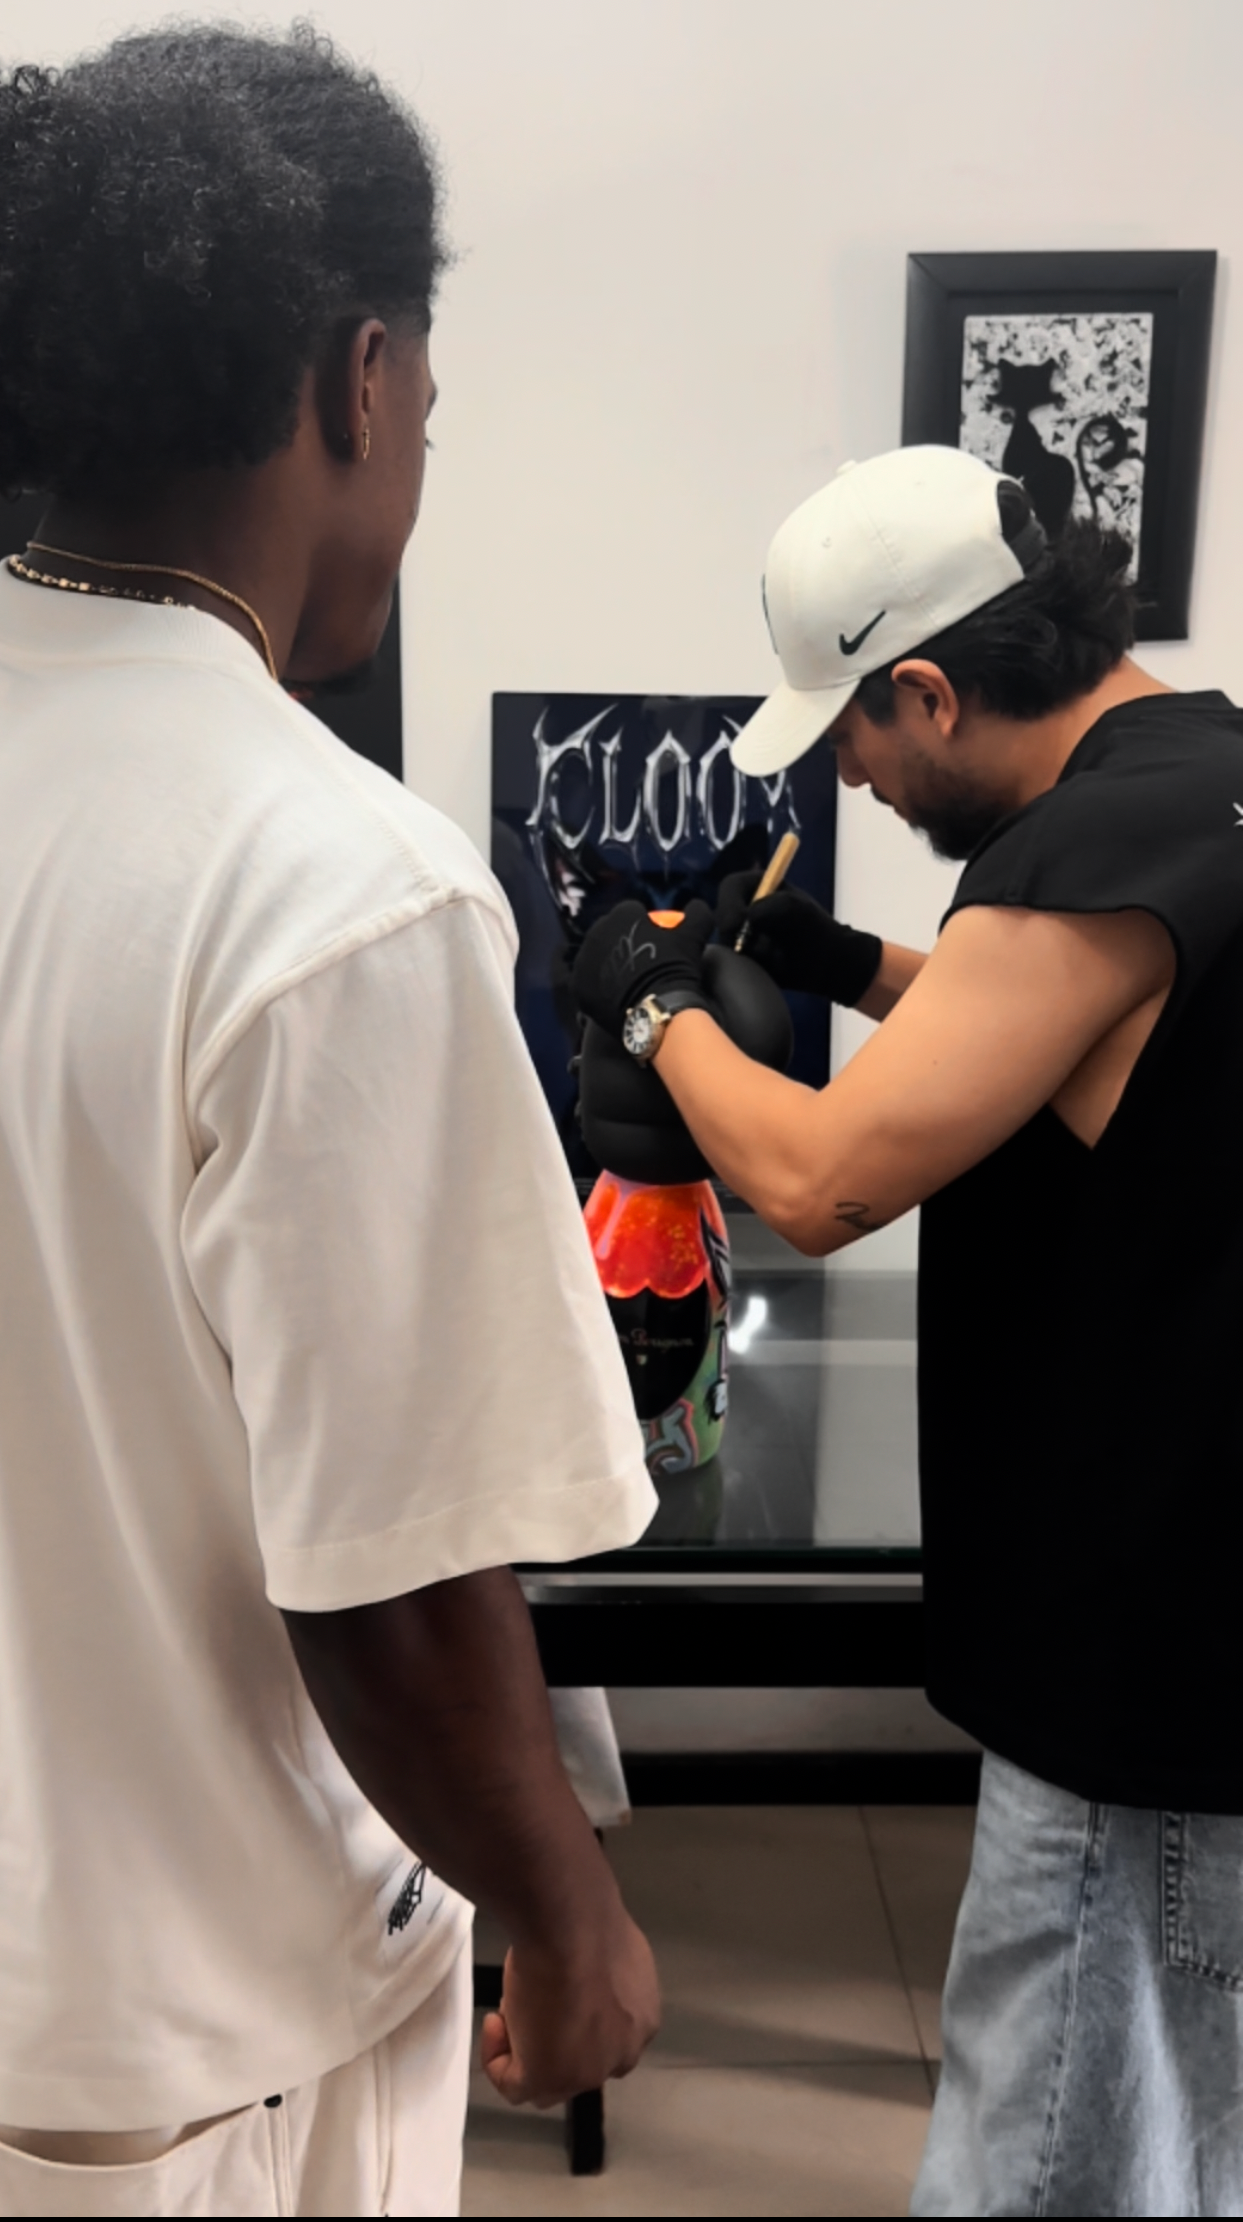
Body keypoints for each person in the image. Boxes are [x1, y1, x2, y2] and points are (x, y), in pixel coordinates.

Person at [0, 27, 659, 2219]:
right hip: (202, 2038)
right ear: (360, 383)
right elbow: (394, 1572)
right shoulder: (336, 886)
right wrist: (565, 1907)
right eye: (428, 402)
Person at [573, 444, 1243, 2218]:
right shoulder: (1197, 779)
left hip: (1142, 1660)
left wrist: (648, 1006)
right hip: (1201, 1608)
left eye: (856, 735)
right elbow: (1066, 1028)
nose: (854, 775)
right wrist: (839, 958)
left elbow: (820, 1177)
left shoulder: (1082, 850)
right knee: (1179, 2120)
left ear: (930, 690)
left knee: (1046, 2149)